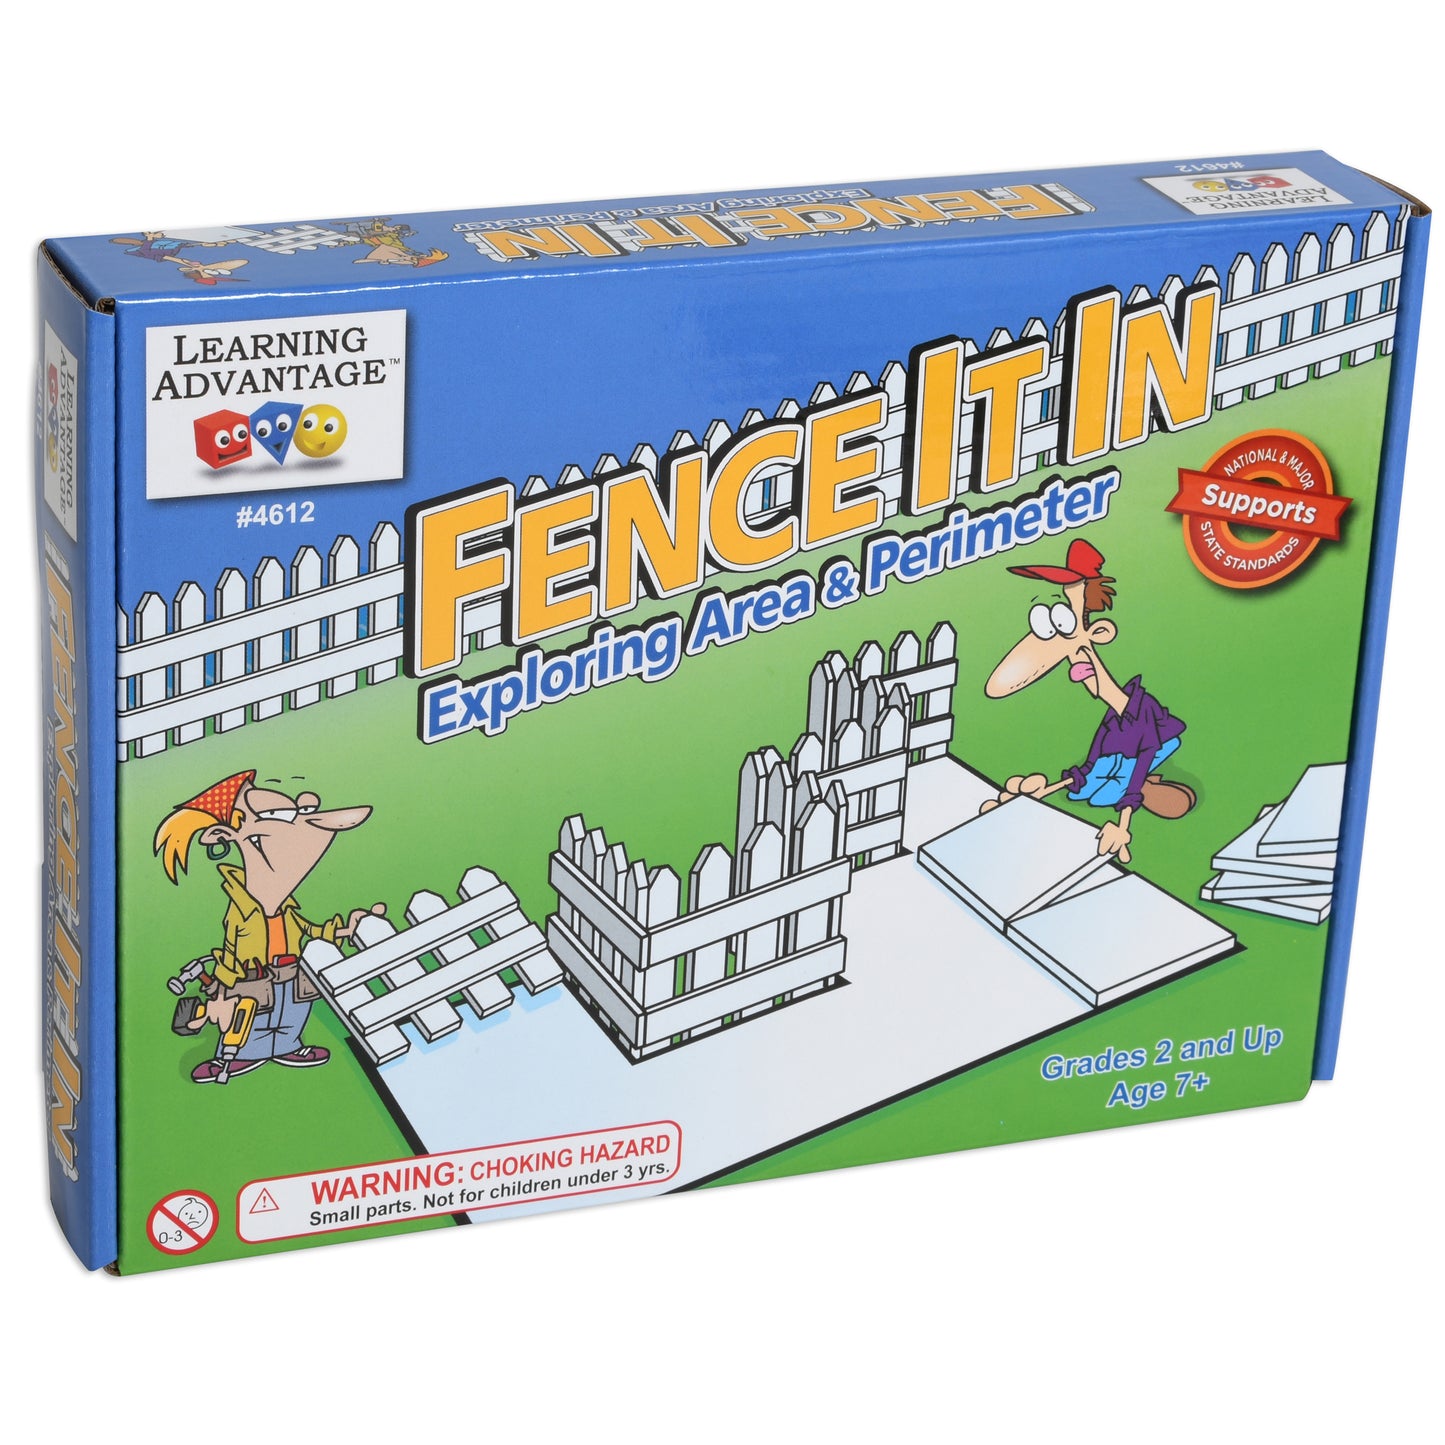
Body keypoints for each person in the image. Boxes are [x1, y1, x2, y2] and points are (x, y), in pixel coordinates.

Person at [154, 769, 383, 1083]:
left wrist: (345, 930)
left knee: (292, 1014)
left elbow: (311, 930)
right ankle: (236, 1057)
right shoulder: (242, 910)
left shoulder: (286, 907)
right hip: (254, 978)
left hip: (291, 973)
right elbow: (232, 947)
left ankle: (289, 1046)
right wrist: (222, 986)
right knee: (254, 1019)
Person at [982, 539, 1196, 863]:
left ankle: (1148, 790)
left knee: (1115, 785)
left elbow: (1142, 756)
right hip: (1119, 752)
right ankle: (1137, 788)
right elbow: (1090, 764)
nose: (1072, 657)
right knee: (1093, 785)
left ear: (1100, 632)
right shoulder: (1112, 724)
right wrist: (1046, 790)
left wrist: (1123, 826)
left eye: (1068, 625)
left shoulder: (1143, 716)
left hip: (1147, 746)